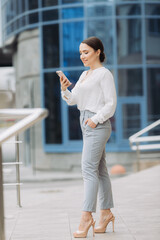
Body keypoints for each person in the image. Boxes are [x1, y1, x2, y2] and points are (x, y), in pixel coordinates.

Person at [59, 36, 117, 238]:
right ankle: (106, 213)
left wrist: (96, 119)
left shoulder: (104, 74)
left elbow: (111, 104)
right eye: (80, 53)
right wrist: (65, 89)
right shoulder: (84, 75)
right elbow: (74, 100)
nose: (82, 56)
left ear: (98, 52)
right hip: (86, 122)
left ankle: (86, 217)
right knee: (100, 170)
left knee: (88, 169)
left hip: (97, 123)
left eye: (86, 52)